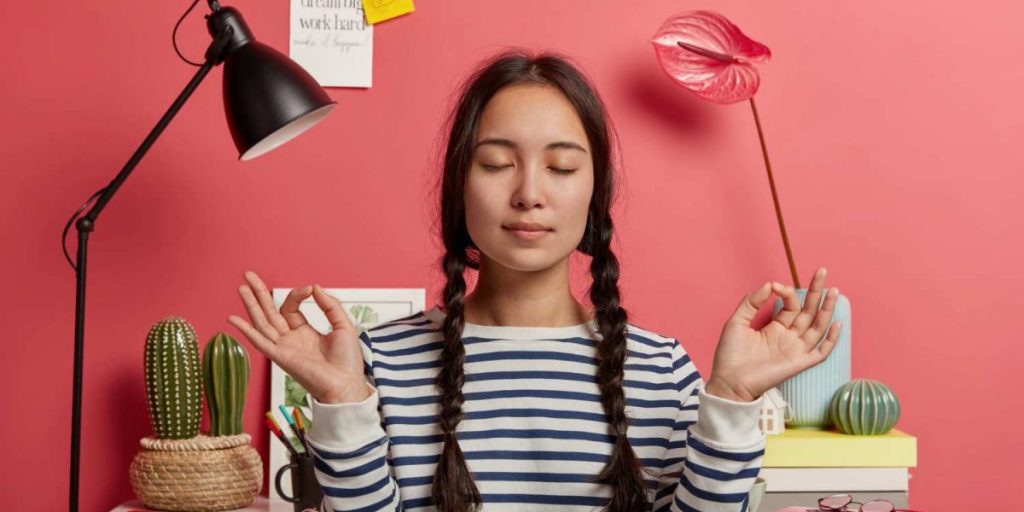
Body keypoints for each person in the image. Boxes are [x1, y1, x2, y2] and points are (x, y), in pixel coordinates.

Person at [228, 50, 842, 512]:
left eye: (561, 166)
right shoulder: (376, 364)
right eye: (497, 164)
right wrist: (341, 402)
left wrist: (732, 399)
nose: (528, 194)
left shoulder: (661, 371)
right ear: (458, 188)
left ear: (595, 193)